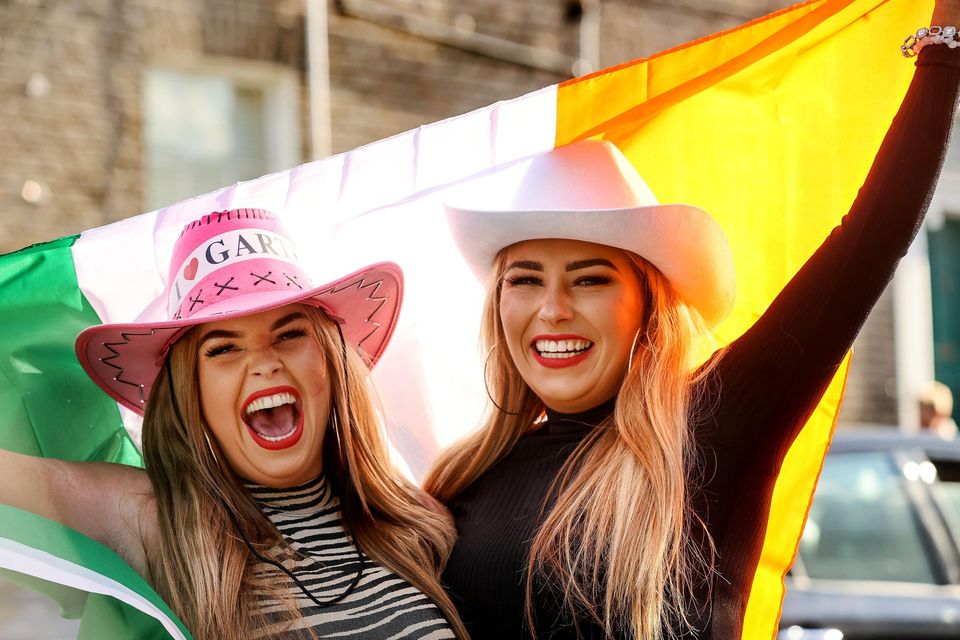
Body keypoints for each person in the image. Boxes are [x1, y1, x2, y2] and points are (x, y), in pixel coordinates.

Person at [424, 5, 960, 639]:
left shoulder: (709, 429)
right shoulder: (460, 478)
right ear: (498, 305)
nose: (552, 308)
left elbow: (868, 242)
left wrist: (944, 50)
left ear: (648, 306)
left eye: (590, 279)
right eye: (525, 280)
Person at [0, 209, 466, 639]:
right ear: (192, 393)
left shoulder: (419, 523)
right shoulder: (158, 521)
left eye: (290, 334)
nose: (264, 363)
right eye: (223, 348)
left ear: (330, 361)